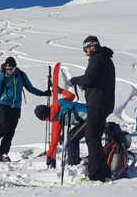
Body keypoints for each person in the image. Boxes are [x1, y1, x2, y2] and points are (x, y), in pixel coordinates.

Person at [0, 56, 50, 162]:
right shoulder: (2, 77)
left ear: (15, 67)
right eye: (7, 69)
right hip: (4, 105)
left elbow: (30, 88)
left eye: (11, 69)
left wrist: (43, 93)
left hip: (16, 108)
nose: (9, 71)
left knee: (10, 131)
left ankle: (3, 154)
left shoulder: (21, 75)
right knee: (3, 127)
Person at [68, 36, 115, 182]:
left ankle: (96, 175)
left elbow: (89, 78)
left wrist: (75, 80)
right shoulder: (106, 59)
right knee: (94, 137)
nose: (85, 52)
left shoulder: (97, 59)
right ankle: (103, 170)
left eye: (86, 49)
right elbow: (96, 80)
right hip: (104, 103)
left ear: (92, 46)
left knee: (92, 137)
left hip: (98, 104)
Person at [34, 87, 87, 168]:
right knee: (72, 135)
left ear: (45, 118)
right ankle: (76, 161)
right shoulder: (59, 102)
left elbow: (54, 141)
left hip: (90, 119)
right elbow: (72, 96)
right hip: (91, 110)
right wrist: (61, 91)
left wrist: (49, 156)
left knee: (71, 139)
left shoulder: (56, 120)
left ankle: (74, 164)